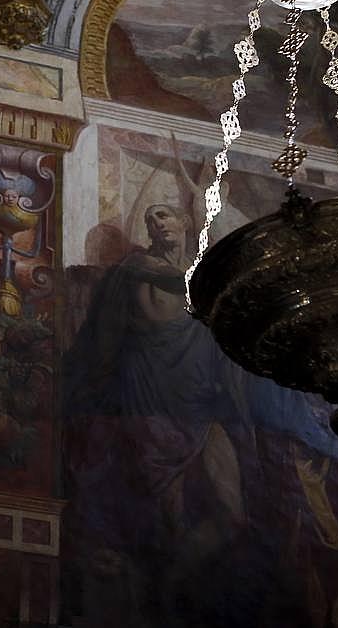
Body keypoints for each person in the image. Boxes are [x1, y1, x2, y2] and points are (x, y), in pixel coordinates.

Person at [63, 202, 249, 620]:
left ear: (185, 221)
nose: (156, 222)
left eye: (164, 213)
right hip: (151, 410)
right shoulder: (137, 269)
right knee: (169, 521)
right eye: (150, 218)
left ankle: (175, 581)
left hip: (200, 408)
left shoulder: (204, 281)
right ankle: (162, 593)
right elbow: (180, 280)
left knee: (232, 513)